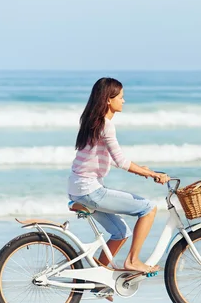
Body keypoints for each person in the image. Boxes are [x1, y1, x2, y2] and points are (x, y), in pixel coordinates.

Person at [68, 77, 169, 278]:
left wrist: (141, 169)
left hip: (77, 188)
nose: (123, 101)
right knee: (149, 208)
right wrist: (152, 174)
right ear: (108, 99)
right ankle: (132, 260)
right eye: (121, 97)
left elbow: (104, 157)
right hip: (90, 190)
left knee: (121, 232)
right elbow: (122, 162)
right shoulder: (105, 125)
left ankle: (99, 279)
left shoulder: (91, 122)